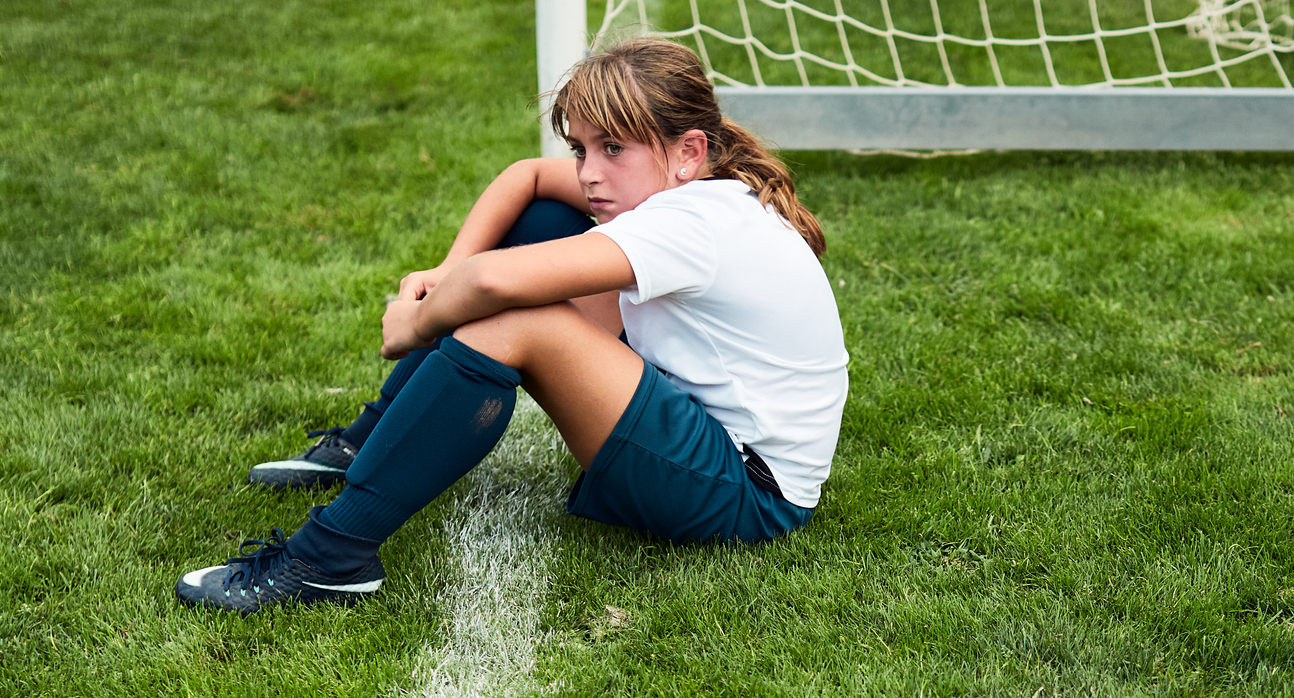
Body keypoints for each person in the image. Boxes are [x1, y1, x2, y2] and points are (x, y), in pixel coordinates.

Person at [179, 38, 846, 613]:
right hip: (704, 429)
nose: (589, 173)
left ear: (687, 151)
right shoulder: (699, 189)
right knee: (547, 224)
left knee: (512, 320)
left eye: (612, 148)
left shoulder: (693, 222)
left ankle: (329, 560)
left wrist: (413, 322)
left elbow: (496, 285)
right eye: (581, 148)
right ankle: (366, 445)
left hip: (747, 493)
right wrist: (446, 270)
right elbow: (527, 180)